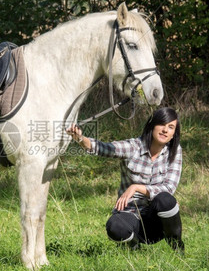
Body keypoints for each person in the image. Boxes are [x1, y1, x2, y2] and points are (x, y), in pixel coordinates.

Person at [66, 107, 184, 253]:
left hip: (157, 222)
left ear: (173, 134)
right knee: (115, 226)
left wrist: (136, 187)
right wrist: (80, 138)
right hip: (131, 214)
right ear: (152, 126)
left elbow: (169, 187)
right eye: (162, 124)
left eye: (170, 127)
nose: (165, 130)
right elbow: (105, 148)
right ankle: (134, 248)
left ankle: (177, 248)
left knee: (166, 200)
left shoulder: (175, 151)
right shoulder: (133, 147)